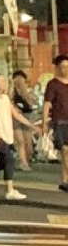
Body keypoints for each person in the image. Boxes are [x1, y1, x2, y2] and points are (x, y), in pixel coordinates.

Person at [0, 72, 23, 204]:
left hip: (7, 135)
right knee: (9, 159)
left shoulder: (5, 99)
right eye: (2, 81)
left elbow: (16, 115)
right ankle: (10, 190)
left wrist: (32, 126)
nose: (5, 83)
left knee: (2, 162)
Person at [45, 56, 68, 192]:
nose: (65, 69)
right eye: (63, 67)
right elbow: (47, 103)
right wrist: (44, 123)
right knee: (65, 150)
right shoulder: (52, 84)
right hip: (60, 121)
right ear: (58, 68)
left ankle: (65, 180)